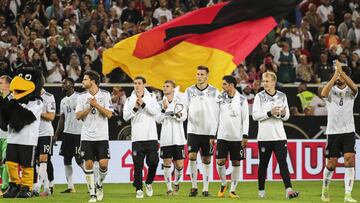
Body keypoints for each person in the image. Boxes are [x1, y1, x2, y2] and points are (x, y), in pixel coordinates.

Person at [252, 71, 299, 199]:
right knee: (263, 164)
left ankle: (289, 189)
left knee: (283, 163)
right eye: (263, 81)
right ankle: (261, 191)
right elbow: (255, 116)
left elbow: (287, 116)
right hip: (264, 137)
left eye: (267, 81)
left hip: (279, 136)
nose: (264, 83)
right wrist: (269, 113)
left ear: (273, 82)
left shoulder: (282, 96)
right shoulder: (259, 96)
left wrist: (282, 114)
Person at [320, 61, 358, 202]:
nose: (338, 77)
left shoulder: (351, 92)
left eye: (341, 75)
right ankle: (325, 189)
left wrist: (341, 71)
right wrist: (336, 73)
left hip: (348, 131)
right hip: (333, 132)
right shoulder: (331, 90)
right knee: (331, 164)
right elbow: (323, 93)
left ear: (346, 75)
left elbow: (353, 86)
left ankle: (348, 195)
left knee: (350, 160)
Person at [75, 70, 113, 202]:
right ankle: (92, 194)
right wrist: (88, 108)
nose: (83, 82)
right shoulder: (81, 97)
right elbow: (78, 116)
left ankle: (99, 185)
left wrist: (96, 105)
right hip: (86, 136)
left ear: (92, 81)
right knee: (89, 164)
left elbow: (109, 114)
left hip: (102, 136)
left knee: (103, 165)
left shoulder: (105, 95)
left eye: (85, 79)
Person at [184, 66, 220, 197]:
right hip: (193, 130)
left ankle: (205, 188)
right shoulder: (189, 91)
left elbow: (217, 113)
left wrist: (214, 132)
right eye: (197, 74)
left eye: (201, 74)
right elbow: (183, 109)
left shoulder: (215, 91)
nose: (199, 76)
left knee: (206, 159)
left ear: (207, 76)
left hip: (208, 131)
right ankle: (193, 186)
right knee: (192, 156)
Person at [123, 76, 160, 198]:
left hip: (151, 136)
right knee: (138, 165)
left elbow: (155, 112)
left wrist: (143, 104)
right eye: (135, 83)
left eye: (139, 83)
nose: (137, 85)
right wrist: (135, 107)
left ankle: (149, 183)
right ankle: (139, 188)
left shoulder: (152, 97)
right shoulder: (129, 99)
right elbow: (125, 117)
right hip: (137, 138)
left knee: (153, 162)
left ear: (144, 85)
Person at [216, 75, 249, 198]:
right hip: (222, 136)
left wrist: (245, 135)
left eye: (224, 84)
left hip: (237, 137)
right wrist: (212, 135)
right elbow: (215, 116)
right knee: (220, 161)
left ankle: (233, 190)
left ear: (231, 85)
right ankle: (224, 184)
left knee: (236, 162)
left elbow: (246, 119)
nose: (222, 86)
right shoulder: (220, 98)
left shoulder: (241, 100)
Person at [155, 80, 187, 196]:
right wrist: (164, 109)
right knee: (167, 162)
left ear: (173, 88)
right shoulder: (160, 103)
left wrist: (176, 114)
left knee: (179, 165)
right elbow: (158, 119)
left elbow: (183, 117)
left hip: (178, 138)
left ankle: (176, 182)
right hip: (166, 138)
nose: (164, 88)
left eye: (167, 86)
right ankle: (168, 189)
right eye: (163, 86)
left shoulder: (179, 102)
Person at [54, 77, 85, 193]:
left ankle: (92, 183)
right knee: (66, 159)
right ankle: (70, 187)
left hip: (78, 133)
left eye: (64, 83)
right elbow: (62, 118)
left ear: (71, 84)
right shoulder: (63, 100)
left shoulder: (79, 97)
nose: (62, 85)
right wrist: (56, 135)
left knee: (79, 160)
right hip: (67, 133)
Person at [33, 86, 56, 196]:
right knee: (38, 161)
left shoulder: (49, 97)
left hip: (45, 133)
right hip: (33, 133)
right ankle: (47, 188)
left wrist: (37, 113)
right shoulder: (31, 96)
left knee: (44, 158)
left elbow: (51, 116)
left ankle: (38, 186)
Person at [0, 75, 11, 193]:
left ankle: (5, 185)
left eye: (0, 83)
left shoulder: (13, 99)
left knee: (6, 160)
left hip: (8, 135)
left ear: (7, 84)